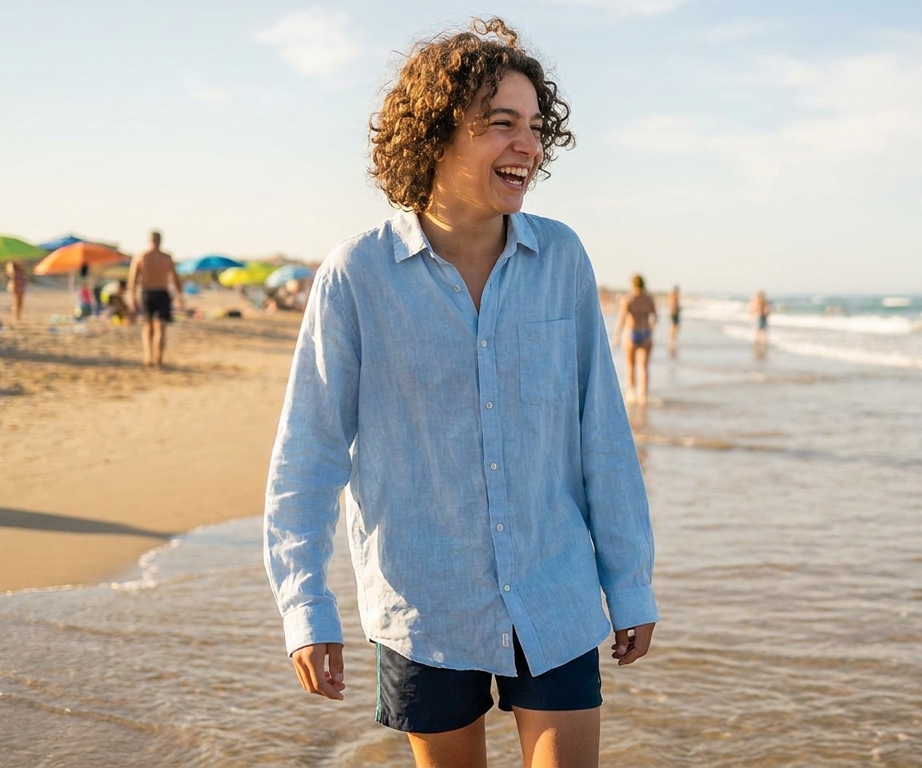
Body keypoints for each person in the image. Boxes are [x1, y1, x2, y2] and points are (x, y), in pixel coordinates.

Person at [264, 19, 656, 768]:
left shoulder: (562, 258)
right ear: (436, 136)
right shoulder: (357, 276)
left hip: (556, 592)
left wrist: (628, 583)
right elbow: (309, 452)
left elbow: (599, 432)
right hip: (425, 604)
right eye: (500, 124)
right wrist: (305, 606)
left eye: (536, 128)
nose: (528, 146)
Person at [127, 231, 183, 367]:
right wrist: (179, 296)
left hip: (147, 291)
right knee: (159, 328)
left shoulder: (141, 256)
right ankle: (157, 358)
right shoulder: (166, 258)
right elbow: (176, 279)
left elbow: (132, 279)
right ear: (161, 240)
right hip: (161, 291)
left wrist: (132, 297)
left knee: (149, 327)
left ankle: (150, 356)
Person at [612, 274, 657, 403]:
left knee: (630, 365)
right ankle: (643, 395)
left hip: (632, 332)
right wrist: (651, 328)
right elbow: (655, 317)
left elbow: (621, 319)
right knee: (643, 367)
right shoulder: (649, 299)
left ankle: (631, 393)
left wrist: (616, 336)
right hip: (646, 332)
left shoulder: (629, 299)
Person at [666, 284, 681, 357]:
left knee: (675, 326)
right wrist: (673, 311)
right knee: (673, 326)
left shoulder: (673, 295)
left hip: (675, 312)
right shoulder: (673, 296)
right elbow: (672, 304)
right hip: (674, 312)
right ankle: (672, 340)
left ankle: (673, 340)